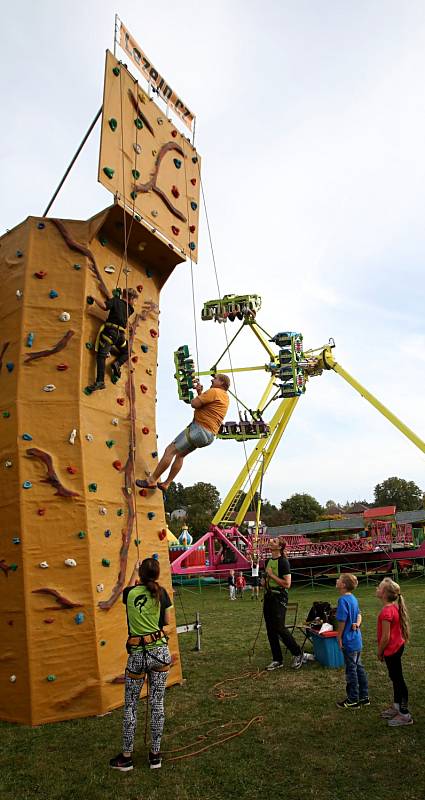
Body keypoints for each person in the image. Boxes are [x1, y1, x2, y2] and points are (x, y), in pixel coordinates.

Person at [109, 557, 173, 772]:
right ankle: (155, 755)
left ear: (141, 574)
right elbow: (166, 621)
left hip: (138, 654)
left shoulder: (130, 593)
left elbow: (126, 589)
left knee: (131, 705)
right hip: (159, 652)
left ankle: (126, 757)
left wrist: (134, 572)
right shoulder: (161, 593)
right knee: (157, 703)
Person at [137, 374, 230, 492]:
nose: (212, 380)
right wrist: (200, 393)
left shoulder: (214, 391)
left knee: (170, 450)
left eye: (215, 378)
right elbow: (206, 408)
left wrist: (197, 396)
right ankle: (166, 483)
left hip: (198, 429)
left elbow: (194, 404)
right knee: (180, 455)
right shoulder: (225, 397)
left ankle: (151, 481)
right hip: (209, 436)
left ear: (221, 382)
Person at [376, 577, 413, 726]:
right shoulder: (392, 607)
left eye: (379, 587)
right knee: (395, 677)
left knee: (398, 679)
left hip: (392, 649)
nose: (376, 589)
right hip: (397, 647)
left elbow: (386, 637)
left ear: (384, 593)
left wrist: (380, 652)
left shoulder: (387, 611)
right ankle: (397, 706)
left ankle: (405, 715)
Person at [87, 287, 138, 392]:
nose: (134, 303)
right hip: (120, 336)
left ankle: (100, 381)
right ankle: (117, 363)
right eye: (134, 300)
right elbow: (122, 311)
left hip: (110, 333)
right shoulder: (130, 309)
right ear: (130, 298)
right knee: (127, 351)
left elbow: (104, 306)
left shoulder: (116, 301)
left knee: (101, 356)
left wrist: (94, 297)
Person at [263, 539, 304, 670]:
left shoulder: (283, 562)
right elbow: (267, 578)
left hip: (279, 597)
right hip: (269, 596)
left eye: (274, 541)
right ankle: (277, 659)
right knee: (270, 630)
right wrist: (264, 582)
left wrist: (272, 576)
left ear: (280, 547)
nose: (270, 541)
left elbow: (287, 584)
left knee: (280, 627)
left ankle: (298, 653)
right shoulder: (268, 561)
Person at [335, 573, 369, 709]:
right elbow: (359, 614)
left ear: (343, 585)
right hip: (357, 640)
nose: (337, 580)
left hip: (348, 640)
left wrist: (339, 636)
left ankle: (353, 699)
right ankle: (364, 696)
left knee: (351, 670)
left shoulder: (342, 600)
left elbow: (342, 621)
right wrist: (357, 623)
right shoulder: (353, 598)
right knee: (359, 668)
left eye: (339, 579)